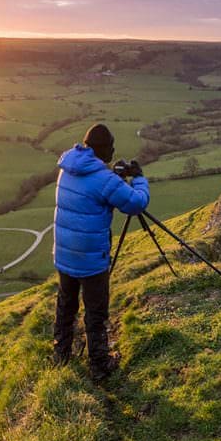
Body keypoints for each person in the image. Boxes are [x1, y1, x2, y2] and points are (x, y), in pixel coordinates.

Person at [52, 123, 149, 381]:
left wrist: (114, 178)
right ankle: (99, 366)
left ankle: (60, 354)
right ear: (101, 149)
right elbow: (136, 203)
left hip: (65, 254)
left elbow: (90, 192)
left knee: (66, 305)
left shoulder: (68, 168)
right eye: (111, 147)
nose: (114, 150)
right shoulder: (104, 179)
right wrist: (138, 178)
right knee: (96, 313)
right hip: (91, 259)